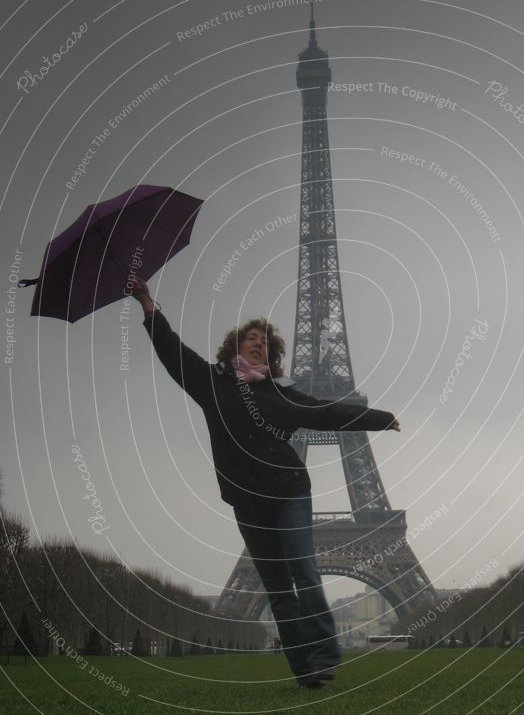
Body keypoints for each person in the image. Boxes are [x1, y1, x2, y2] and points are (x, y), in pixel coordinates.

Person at [130, 277, 400, 688]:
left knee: (304, 572)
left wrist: (379, 419)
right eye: (250, 338)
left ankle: (325, 655)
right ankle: (305, 669)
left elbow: (326, 412)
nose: (258, 344)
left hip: (289, 491)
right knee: (277, 589)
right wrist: (149, 305)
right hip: (247, 499)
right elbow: (173, 355)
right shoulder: (213, 384)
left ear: (272, 355)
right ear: (234, 347)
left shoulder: (282, 395)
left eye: (265, 343)